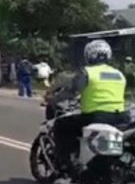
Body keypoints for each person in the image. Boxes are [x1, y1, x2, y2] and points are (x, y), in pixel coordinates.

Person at [48, 39, 128, 172]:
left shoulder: (87, 72)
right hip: (121, 117)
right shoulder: (119, 74)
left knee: (61, 125)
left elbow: (71, 92)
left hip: (96, 116)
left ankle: (64, 161)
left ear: (89, 55)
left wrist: (53, 99)